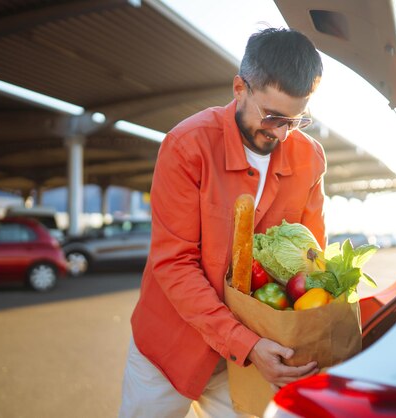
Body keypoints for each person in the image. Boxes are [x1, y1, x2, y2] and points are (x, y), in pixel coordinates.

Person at [119, 28, 327, 418]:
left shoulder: (310, 158)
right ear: (238, 88)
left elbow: (310, 257)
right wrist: (244, 342)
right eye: (273, 116)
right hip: (170, 347)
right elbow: (174, 263)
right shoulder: (186, 146)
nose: (282, 132)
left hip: (256, 354)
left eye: (296, 121)